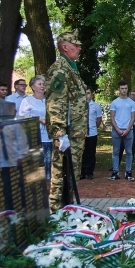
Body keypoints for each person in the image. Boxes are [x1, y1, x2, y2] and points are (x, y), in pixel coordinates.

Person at [45, 31, 88, 210]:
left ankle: (67, 211)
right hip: (66, 135)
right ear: (65, 46)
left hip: (75, 133)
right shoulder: (60, 69)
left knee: (70, 176)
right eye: (75, 44)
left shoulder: (71, 68)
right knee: (60, 176)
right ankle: (56, 214)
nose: (79, 47)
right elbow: (56, 103)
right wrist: (59, 133)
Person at [18, 75, 52, 181]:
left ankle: (50, 188)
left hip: (51, 137)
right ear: (33, 87)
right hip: (36, 139)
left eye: (44, 84)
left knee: (50, 164)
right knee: (38, 165)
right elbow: (22, 118)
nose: (42, 86)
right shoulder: (27, 101)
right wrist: (38, 119)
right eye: (40, 84)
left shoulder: (50, 100)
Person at [109, 81, 135, 181]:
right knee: (116, 151)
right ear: (119, 89)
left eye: (125, 88)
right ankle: (115, 172)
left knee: (129, 152)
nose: (124, 90)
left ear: (127, 89)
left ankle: (128, 172)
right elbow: (112, 117)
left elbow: (133, 118)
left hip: (128, 130)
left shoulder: (132, 103)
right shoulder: (114, 102)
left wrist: (127, 129)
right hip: (117, 130)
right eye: (122, 88)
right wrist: (118, 129)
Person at [81, 88, 102, 180]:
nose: (87, 95)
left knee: (91, 153)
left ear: (92, 94)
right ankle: (82, 172)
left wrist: (94, 128)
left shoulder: (96, 106)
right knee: (82, 153)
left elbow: (99, 119)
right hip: (82, 133)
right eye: (85, 93)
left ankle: (90, 172)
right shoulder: (80, 106)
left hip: (92, 133)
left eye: (88, 93)